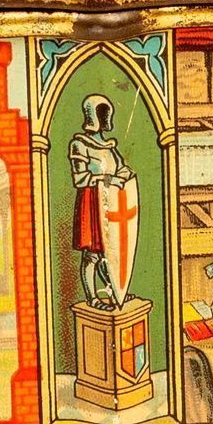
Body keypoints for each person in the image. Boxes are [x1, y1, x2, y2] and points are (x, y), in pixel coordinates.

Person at [68, 94, 136, 309]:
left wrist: (124, 175)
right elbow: (80, 179)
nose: (106, 117)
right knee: (92, 256)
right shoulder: (79, 145)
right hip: (91, 202)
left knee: (108, 253)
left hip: (110, 201)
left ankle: (115, 291)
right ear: (93, 116)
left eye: (107, 112)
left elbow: (122, 168)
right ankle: (93, 298)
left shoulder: (109, 146)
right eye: (102, 113)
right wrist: (108, 179)